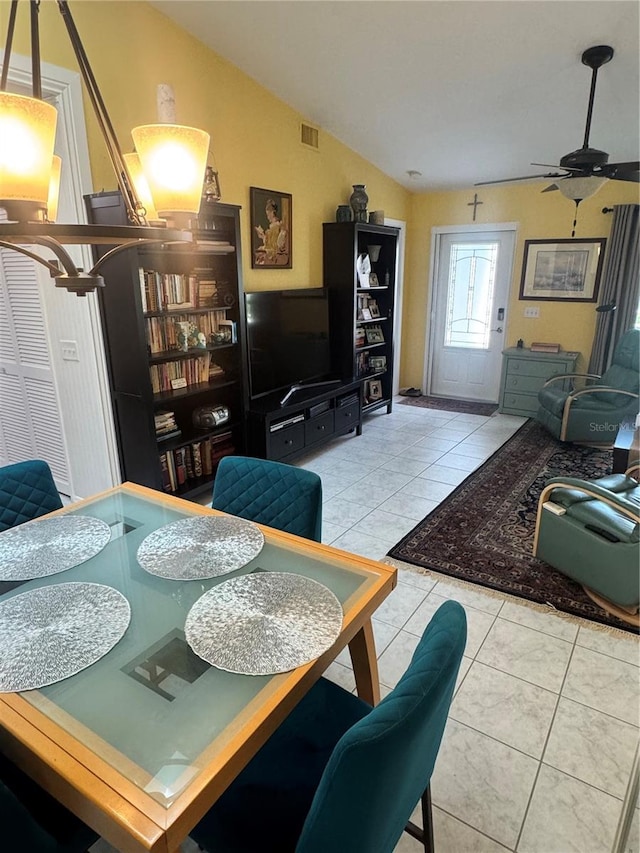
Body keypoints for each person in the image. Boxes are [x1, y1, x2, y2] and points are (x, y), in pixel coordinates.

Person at [254, 198, 288, 264]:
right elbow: (268, 243)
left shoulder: (276, 226)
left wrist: (265, 239)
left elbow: (274, 246)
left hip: (273, 252)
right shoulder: (271, 228)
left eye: (268, 215)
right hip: (270, 250)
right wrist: (263, 236)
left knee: (260, 253)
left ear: (272, 213)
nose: (268, 217)